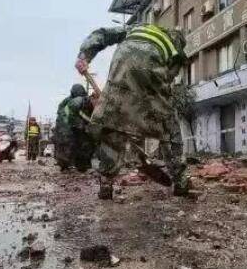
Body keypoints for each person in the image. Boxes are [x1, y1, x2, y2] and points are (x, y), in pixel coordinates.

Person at [75, 23, 189, 200]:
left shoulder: (137, 27)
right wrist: (151, 114)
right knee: (168, 124)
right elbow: (169, 78)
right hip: (152, 63)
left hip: (121, 61)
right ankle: (181, 182)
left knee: (113, 122)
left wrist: (84, 56)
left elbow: (103, 34)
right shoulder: (176, 45)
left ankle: (106, 183)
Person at [53, 84, 95, 172]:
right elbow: (70, 114)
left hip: (66, 126)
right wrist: (81, 124)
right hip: (68, 126)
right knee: (78, 143)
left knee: (70, 145)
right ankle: (79, 165)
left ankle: (68, 165)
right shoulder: (79, 100)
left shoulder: (69, 101)